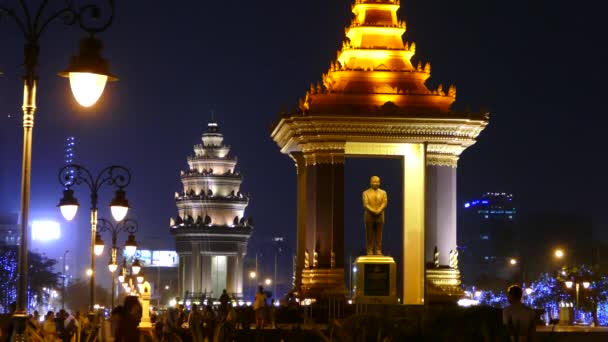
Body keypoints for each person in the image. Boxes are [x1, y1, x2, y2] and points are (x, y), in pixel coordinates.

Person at [362, 176, 388, 255]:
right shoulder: (365, 193)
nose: (375, 184)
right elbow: (365, 204)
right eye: (374, 182)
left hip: (380, 216)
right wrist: (373, 211)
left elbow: (384, 203)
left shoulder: (383, 193)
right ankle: (369, 250)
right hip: (369, 216)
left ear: (379, 183)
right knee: (369, 234)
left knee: (379, 234)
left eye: (377, 182)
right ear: (370, 182)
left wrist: (379, 210)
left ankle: (378, 249)